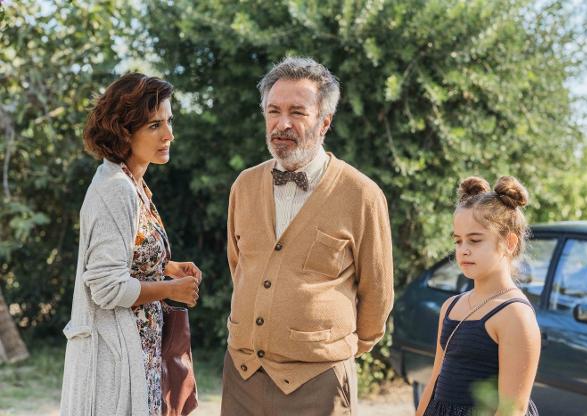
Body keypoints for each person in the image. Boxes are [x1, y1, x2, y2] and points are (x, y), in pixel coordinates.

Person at [221, 56, 394, 416]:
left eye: (297, 112)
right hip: (242, 374)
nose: (282, 124)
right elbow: (240, 266)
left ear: (324, 122)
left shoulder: (361, 194)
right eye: (273, 111)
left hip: (319, 382)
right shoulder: (244, 185)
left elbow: (377, 291)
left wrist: (335, 350)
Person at [60, 73, 202, 416]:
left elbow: (125, 255)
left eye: (169, 121)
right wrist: (169, 289)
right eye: (154, 125)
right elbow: (106, 288)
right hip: (117, 359)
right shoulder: (116, 189)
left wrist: (164, 267)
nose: (169, 134)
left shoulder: (133, 183)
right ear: (124, 131)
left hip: (141, 352)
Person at [416, 176, 541, 416]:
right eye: (458, 240)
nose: (463, 249)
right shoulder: (451, 306)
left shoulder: (515, 315)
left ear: (509, 242)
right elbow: (434, 381)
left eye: (475, 240)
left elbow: (512, 409)